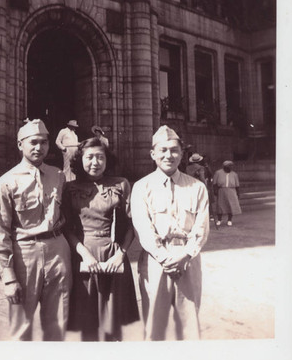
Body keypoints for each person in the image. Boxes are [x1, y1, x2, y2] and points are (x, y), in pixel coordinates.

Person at [0, 119, 72, 341]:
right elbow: (0, 233)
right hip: (24, 255)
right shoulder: (6, 182)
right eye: (33, 142)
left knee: (58, 323)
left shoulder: (58, 175)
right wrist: (8, 278)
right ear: (20, 144)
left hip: (57, 250)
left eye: (44, 142)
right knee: (20, 327)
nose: (39, 147)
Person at [131, 125, 210, 340]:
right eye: (163, 150)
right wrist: (165, 258)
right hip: (156, 260)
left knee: (190, 326)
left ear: (182, 153)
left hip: (188, 259)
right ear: (153, 154)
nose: (169, 155)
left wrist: (186, 255)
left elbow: (201, 227)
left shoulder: (197, 187)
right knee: (155, 326)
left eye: (174, 150)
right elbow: (142, 227)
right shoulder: (141, 187)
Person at [62, 137, 139, 341]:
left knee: (113, 324)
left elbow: (132, 225)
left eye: (100, 157)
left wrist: (120, 255)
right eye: (90, 157)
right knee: (87, 322)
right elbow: (66, 228)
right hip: (83, 259)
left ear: (107, 160)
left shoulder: (121, 184)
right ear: (80, 159)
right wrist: (84, 254)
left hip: (114, 257)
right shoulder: (69, 188)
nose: (95, 162)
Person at [212, 160, 242, 226]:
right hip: (221, 190)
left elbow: (237, 185)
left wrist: (238, 193)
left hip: (232, 191)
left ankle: (229, 220)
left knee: (230, 205)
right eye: (229, 166)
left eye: (231, 166)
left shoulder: (234, 174)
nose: (230, 167)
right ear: (224, 166)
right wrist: (215, 191)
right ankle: (219, 219)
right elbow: (214, 183)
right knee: (220, 205)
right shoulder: (218, 172)